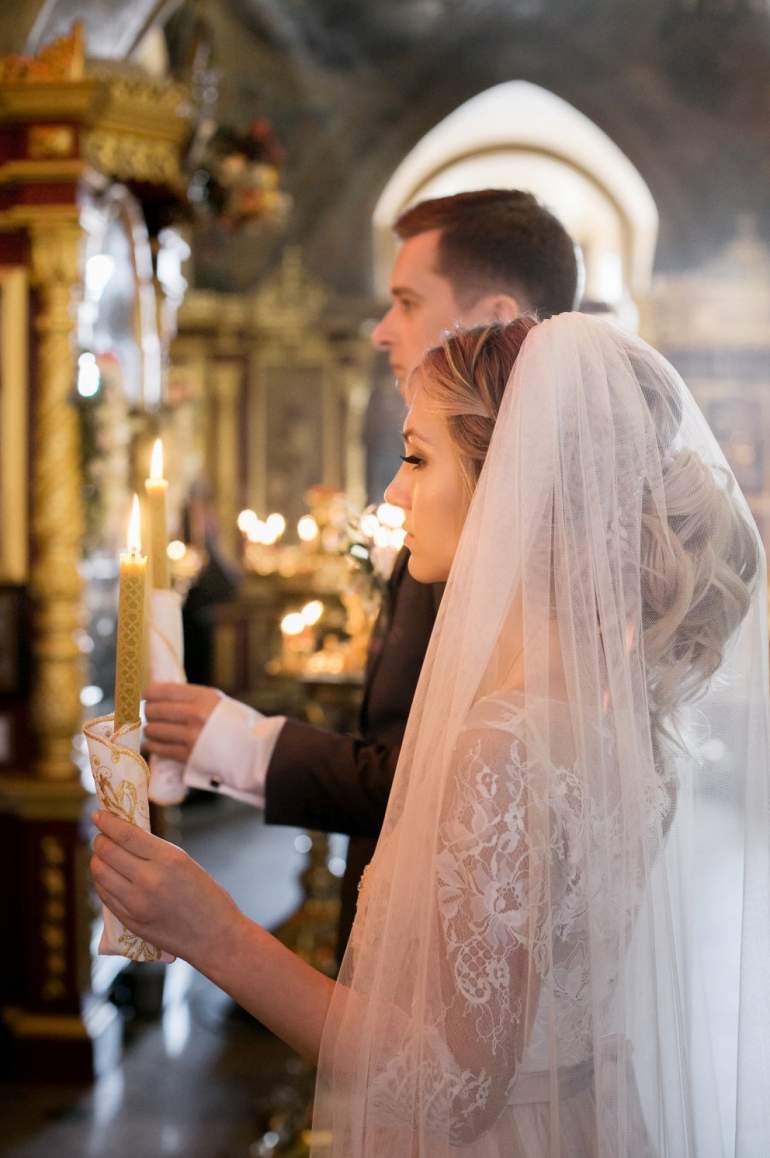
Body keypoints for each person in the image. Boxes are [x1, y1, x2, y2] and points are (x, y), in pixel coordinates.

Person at [93, 314, 770, 1155]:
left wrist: (213, 932)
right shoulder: (621, 719)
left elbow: (448, 1088)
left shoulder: (505, 746)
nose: (393, 495)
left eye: (417, 459)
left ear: (513, 482)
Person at [143, 189, 579, 955]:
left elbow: (431, 779)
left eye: (407, 302)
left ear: (494, 314)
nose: (381, 330)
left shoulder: (499, 546)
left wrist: (239, 748)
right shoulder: (469, 523)